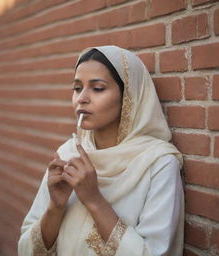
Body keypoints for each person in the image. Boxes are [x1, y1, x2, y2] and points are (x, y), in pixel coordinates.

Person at [18, 45, 184, 256]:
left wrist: (94, 199)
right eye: (77, 88)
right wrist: (55, 207)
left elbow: (154, 252)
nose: (82, 98)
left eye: (97, 88)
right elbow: (25, 249)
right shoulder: (68, 154)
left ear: (128, 98)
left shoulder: (158, 163)